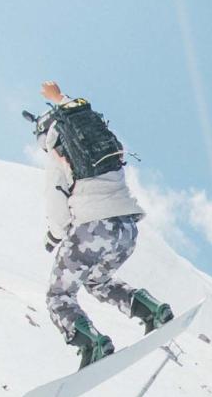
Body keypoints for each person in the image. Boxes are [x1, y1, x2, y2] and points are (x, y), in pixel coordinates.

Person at [30, 82, 173, 368]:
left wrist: (54, 236)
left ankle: (92, 344)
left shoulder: (58, 152)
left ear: (45, 133)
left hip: (93, 227)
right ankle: (151, 311)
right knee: (98, 281)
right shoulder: (91, 139)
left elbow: (57, 208)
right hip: (127, 229)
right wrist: (60, 97)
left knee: (59, 295)